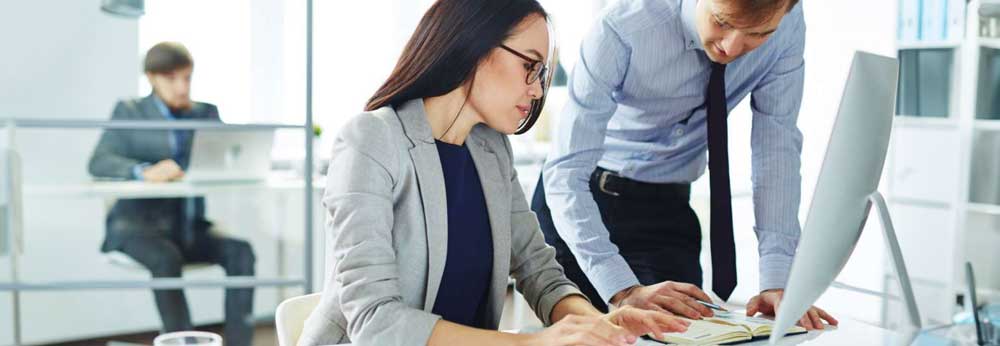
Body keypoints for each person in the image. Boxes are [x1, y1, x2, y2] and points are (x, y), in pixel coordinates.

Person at [296, 1, 691, 345]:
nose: (537, 90)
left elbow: (540, 272)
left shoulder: (491, 149)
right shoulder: (372, 139)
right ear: (476, 47)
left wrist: (602, 325)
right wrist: (534, 343)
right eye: (530, 66)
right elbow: (375, 321)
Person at [532, 0, 839, 330]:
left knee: (690, 334)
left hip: (667, 209)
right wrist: (622, 288)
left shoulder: (786, 24)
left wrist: (777, 279)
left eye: (758, 33)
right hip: (582, 204)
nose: (732, 47)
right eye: (722, 22)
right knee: (590, 337)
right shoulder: (621, 28)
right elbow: (566, 171)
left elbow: (776, 146)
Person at [88, 42, 256, 346]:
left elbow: (228, 156)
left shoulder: (205, 113)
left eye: (187, 78)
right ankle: (185, 343)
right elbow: (99, 161)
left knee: (240, 251)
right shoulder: (129, 111)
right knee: (166, 258)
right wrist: (144, 170)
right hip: (137, 229)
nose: (182, 87)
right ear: (152, 78)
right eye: (172, 79)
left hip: (187, 226)